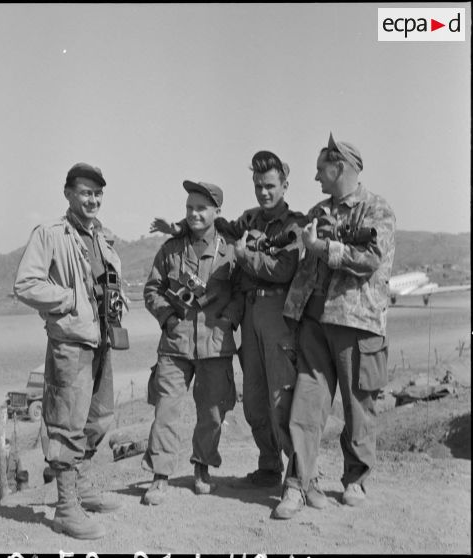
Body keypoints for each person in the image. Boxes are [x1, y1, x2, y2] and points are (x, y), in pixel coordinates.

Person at [150, 152, 315, 495]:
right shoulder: (249, 220)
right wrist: (181, 228)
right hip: (250, 314)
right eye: (258, 186)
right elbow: (212, 224)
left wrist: (244, 258)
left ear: (285, 185)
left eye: (270, 185)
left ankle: (299, 481)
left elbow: (284, 269)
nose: (264, 192)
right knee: (254, 399)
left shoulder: (294, 225)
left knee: (281, 397)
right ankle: (269, 466)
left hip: (276, 315)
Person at [273, 133, 396, 519]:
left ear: (339, 166)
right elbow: (303, 268)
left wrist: (325, 248)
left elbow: (371, 258)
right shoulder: (316, 212)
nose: (316, 179)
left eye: (320, 171)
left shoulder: (377, 209)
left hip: (356, 322)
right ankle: (297, 484)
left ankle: (355, 479)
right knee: (306, 403)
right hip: (314, 321)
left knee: (358, 405)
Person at [14, 162, 125, 539]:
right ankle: (65, 507)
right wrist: (69, 299)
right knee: (66, 424)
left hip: (103, 340)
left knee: (99, 418)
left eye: (97, 194)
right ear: (68, 194)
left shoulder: (102, 238)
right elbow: (26, 284)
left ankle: (81, 487)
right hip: (71, 345)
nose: (92, 200)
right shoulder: (50, 235)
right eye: (85, 192)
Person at [141, 180, 243, 505]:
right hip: (175, 346)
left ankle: (202, 467)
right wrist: (167, 318)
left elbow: (242, 294)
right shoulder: (171, 249)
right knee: (166, 410)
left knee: (212, 413)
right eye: (189, 208)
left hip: (215, 346)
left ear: (217, 212)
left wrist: (228, 320)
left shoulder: (231, 251)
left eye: (201, 208)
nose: (194, 214)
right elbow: (151, 290)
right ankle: (159, 476)